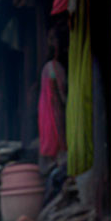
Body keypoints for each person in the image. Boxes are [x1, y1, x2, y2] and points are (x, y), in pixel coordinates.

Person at [38, 28, 67, 161]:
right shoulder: (54, 67)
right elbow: (62, 93)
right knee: (60, 141)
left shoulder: (47, 67)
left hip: (47, 113)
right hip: (56, 110)